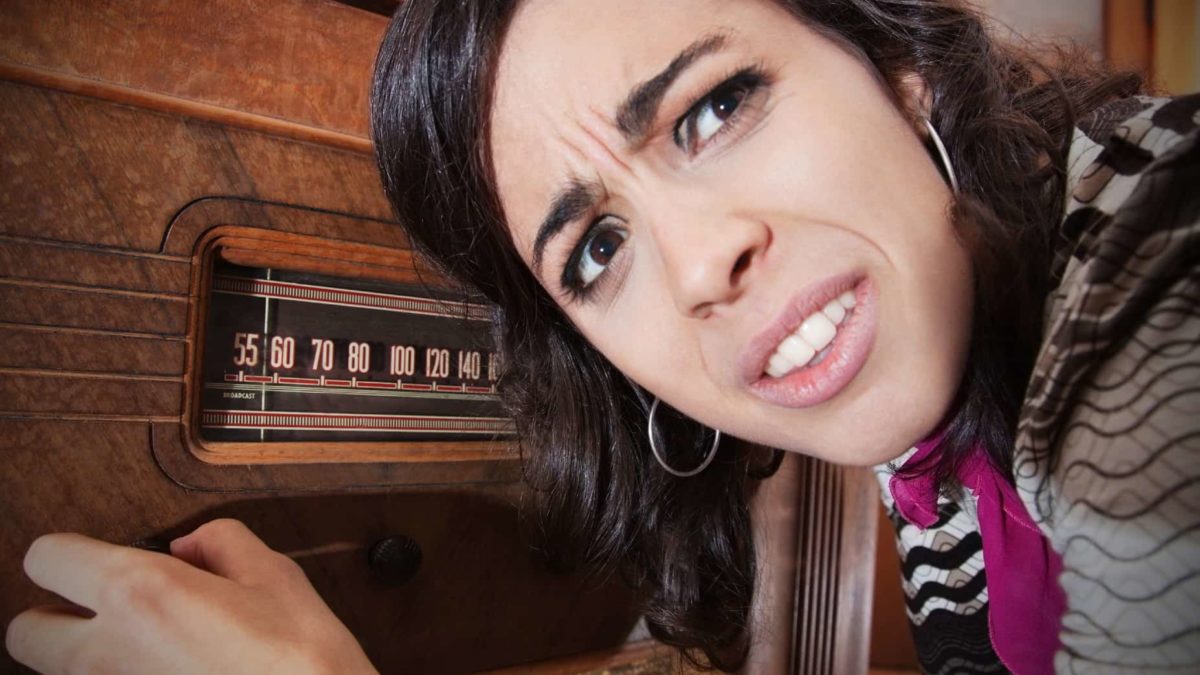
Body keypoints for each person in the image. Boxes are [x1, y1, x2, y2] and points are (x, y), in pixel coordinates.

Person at [7, 0, 1198, 673]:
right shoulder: (932, 455)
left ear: (895, 69)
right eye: (595, 251)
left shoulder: (1161, 276)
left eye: (715, 107)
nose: (695, 267)